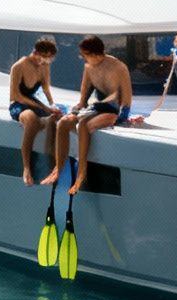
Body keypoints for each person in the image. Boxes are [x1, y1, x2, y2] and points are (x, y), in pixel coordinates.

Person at [46, 35, 134, 194]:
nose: (83, 58)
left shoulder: (118, 68)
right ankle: (58, 167)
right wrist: (75, 111)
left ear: (93, 53)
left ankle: (81, 172)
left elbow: (126, 99)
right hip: (96, 108)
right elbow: (83, 100)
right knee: (64, 123)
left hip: (113, 110)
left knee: (85, 126)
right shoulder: (89, 68)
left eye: (84, 55)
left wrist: (121, 118)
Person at [8, 38, 62, 185]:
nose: (44, 63)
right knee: (31, 119)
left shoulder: (44, 66)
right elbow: (15, 95)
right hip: (19, 103)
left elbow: (46, 88)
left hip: (35, 102)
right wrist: (43, 108)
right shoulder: (19, 66)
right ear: (36, 52)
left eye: (48, 60)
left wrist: (52, 105)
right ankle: (26, 168)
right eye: (43, 59)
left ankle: (55, 167)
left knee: (56, 119)